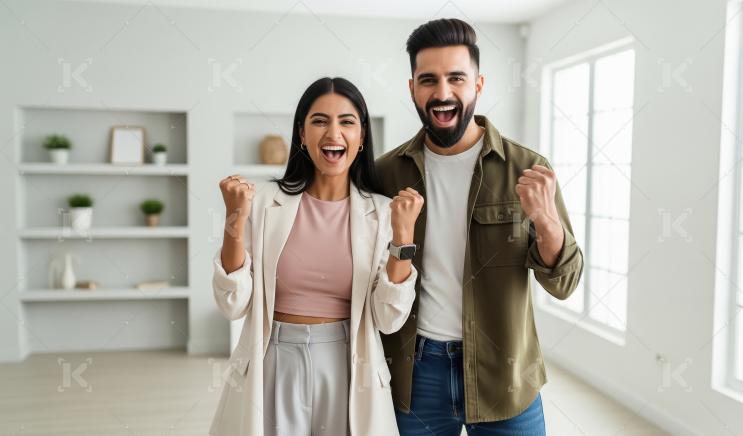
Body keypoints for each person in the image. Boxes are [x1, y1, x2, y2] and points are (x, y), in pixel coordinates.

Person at [375, 19, 584, 435]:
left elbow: (565, 282)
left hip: (506, 377)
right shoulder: (384, 174)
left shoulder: (528, 168)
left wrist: (545, 220)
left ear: (478, 84)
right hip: (416, 378)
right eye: (428, 80)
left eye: (456, 78)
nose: (443, 93)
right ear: (412, 87)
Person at [210, 77, 424, 436]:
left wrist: (403, 238)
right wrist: (234, 220)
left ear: (363, 137)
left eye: (347, 121)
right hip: (271, 360)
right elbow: (232, 304)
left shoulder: (384, 213)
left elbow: (388, 318)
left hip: (347, 364)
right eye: (320, 121)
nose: (333, 133)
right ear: (301, 133)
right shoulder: (260, 201)